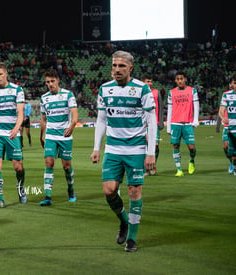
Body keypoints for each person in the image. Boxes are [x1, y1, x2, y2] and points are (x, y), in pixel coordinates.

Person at [90, 50, 157, 252]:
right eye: (114, 65)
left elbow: (152, 121)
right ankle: (124, 221)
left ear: (130, 68)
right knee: (109, 190)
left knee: (134, 190)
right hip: (113, 148)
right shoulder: (104, 90)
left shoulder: (142, 89)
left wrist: (150, 151)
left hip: (136, 148)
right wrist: (96, 147)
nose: (117, 69)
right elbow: (101, 120)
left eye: (121, 66)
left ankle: (132, 239)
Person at [0, 62, 26, 209]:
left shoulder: (17, 90)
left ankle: (21, 188)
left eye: (0, 74)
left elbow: (20, 112)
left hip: (12, 133)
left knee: (18, 166)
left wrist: (16, 128)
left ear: (6, 74)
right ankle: (0, 199)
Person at [39, 68, 78, 206]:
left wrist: (71, 127)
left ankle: (71, 189)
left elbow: (75, 114)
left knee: (67, 167)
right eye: (47, 82)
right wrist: (41, 135)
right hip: (51, 135)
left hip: (65, 136)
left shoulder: (68, 95)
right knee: (49, 163)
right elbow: (43, 119)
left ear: (58, 81)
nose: (50, 84)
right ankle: (48, 196)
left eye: (52, 81)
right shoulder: (44, 98)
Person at [166, 71, 199, 177]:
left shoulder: (192, 91)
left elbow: (196, 105)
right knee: (175, 145)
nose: (179, 81)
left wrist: (195, 119)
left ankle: (191, 161)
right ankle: (179, 169)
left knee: (191, 147)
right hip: (175, 122)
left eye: (181, 79)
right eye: (177, 79)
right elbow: (170, 109)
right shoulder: (171, 92)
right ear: (175, 80)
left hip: (188, 123)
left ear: (185, 79)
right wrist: (169, 125)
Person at [141, 74, 164, 175]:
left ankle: (153, 166)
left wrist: (161, 122)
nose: (150, 83)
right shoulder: (139, 92)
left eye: (151, 81)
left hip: (154, 123)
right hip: (142, 124)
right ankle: (145, 168)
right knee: (143, 146)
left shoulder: (156, 92)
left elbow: (161, 107)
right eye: (147, 81)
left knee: (155, 146)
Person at [218, 73, 236, 175]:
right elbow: (221, 110)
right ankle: (231, 162)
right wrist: (223, 117)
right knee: (225, 146)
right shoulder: (226, 95)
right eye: (234, 83)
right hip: (228, 125)